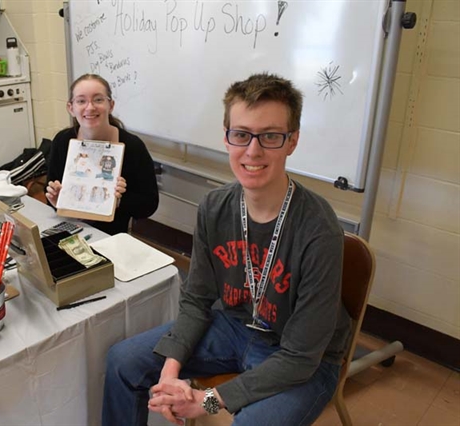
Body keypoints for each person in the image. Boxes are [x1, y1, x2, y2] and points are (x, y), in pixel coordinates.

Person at [102, 72, 351, 426]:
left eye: (270, 136)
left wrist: (208, 402)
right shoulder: (215, 207)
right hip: (235, 328)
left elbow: (300, 357)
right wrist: (170, 370)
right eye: (242, 135)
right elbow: (197, 299)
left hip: (301, 357)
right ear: (227, 138)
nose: (253, 150)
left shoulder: (318, 228)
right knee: (122, 361)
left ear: (292, 141)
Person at [45, 74, 159, 235]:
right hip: (67, 229)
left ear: (111, 105)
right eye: (81, 101)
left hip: (110, 237)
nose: (90, 107)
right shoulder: (62, 141)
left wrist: (119, 200)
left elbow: (149, 205)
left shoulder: (132, 146)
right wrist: (57, 200)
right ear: (71, 108)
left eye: (98, 100)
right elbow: (50, 191)